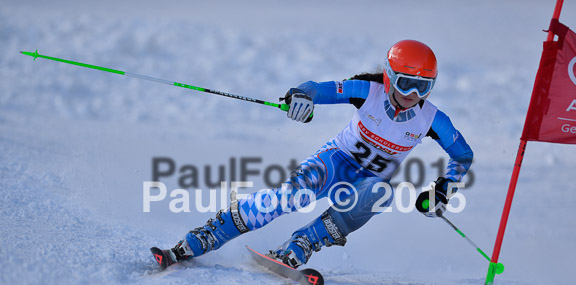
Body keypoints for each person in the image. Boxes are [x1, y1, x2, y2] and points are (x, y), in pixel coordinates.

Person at [152, 40, 473, 270]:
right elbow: (317, 89)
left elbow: (463, 155)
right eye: (405, 83)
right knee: (290, 197)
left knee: (381, 194)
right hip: (335, 162)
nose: (412, 96)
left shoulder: (432, 119)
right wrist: (301, 97)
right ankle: (205, 236)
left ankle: (303, 243)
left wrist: (445, 187)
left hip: (367, 183)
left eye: (423, 87)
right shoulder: (368, 90)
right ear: (390, 76)